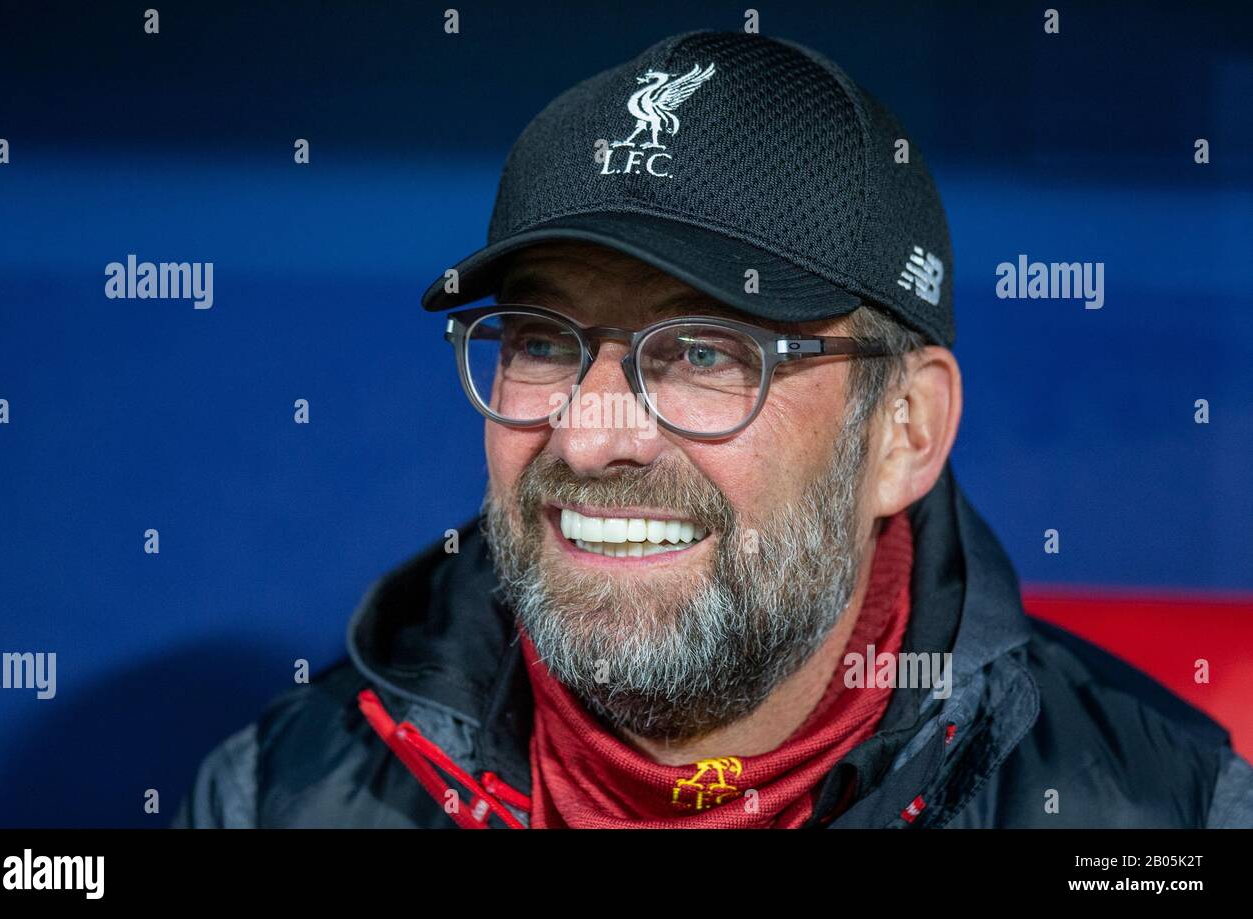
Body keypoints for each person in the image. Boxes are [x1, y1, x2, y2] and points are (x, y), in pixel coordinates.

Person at [174, 30, 1253, 829]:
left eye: (704, 352)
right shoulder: (277, 795)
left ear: (904, 432)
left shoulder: (1167, 815)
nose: (591, 439)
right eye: (542, 341)